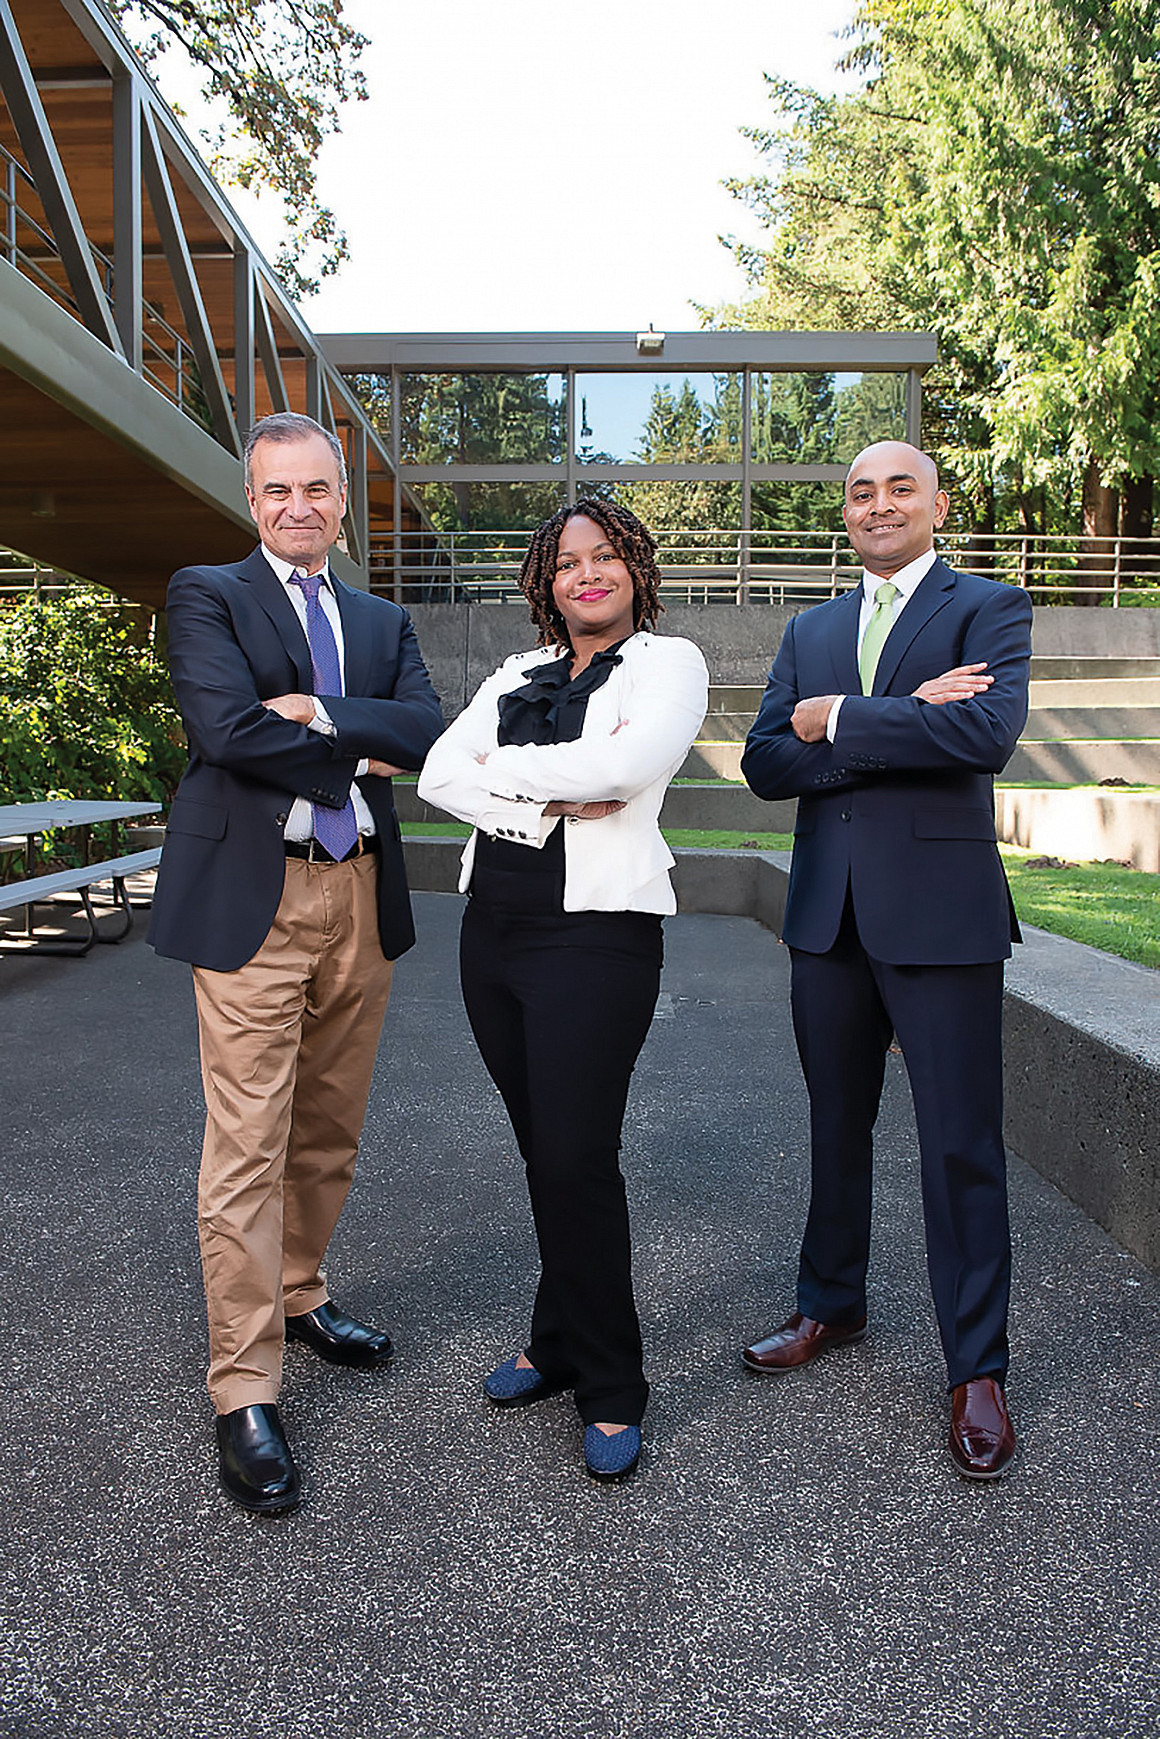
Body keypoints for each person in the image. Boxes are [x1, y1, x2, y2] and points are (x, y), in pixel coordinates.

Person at [149, 411, 444, 1515]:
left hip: (360, 890)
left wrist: (321, 710)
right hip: (253, 901)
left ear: (340, 495)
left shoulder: (377, 614)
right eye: (278, 491)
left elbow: (423, 732)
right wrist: (355, 743)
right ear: (252, 498)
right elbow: (225, 730)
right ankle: (245, 1385)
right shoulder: (208, 593)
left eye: (317, 489)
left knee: (328, 1122)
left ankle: (302, 1290)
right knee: (247, 1137)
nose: (299, 508)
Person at [739, 440, 1032, 1481]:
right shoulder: (809, 625)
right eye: (859, 491)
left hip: (939, 917)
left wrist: (840, 718)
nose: (876, 504)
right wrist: (900, 717)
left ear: (934, 503)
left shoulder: (985, 608)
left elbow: (983, 734)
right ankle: (830, 1300)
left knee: (959, 1143)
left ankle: (976, 1367)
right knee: (833, 1123)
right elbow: (764, 761)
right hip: (826, 915)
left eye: (896, 487)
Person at [418, 500, 707, 1480]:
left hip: (596, 940)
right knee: (546, 1148)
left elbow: (627, 767)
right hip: (491, 933)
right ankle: (554, 1333)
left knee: (578, 1155)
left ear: (633, 567)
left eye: (605, 555)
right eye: (566, 560)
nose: (586, 572)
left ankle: (612, 1381)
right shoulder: (514, 674)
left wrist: (500, 768)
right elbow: (432, 774)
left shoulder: (668, 664)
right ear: (544, 579)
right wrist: (549, 785)